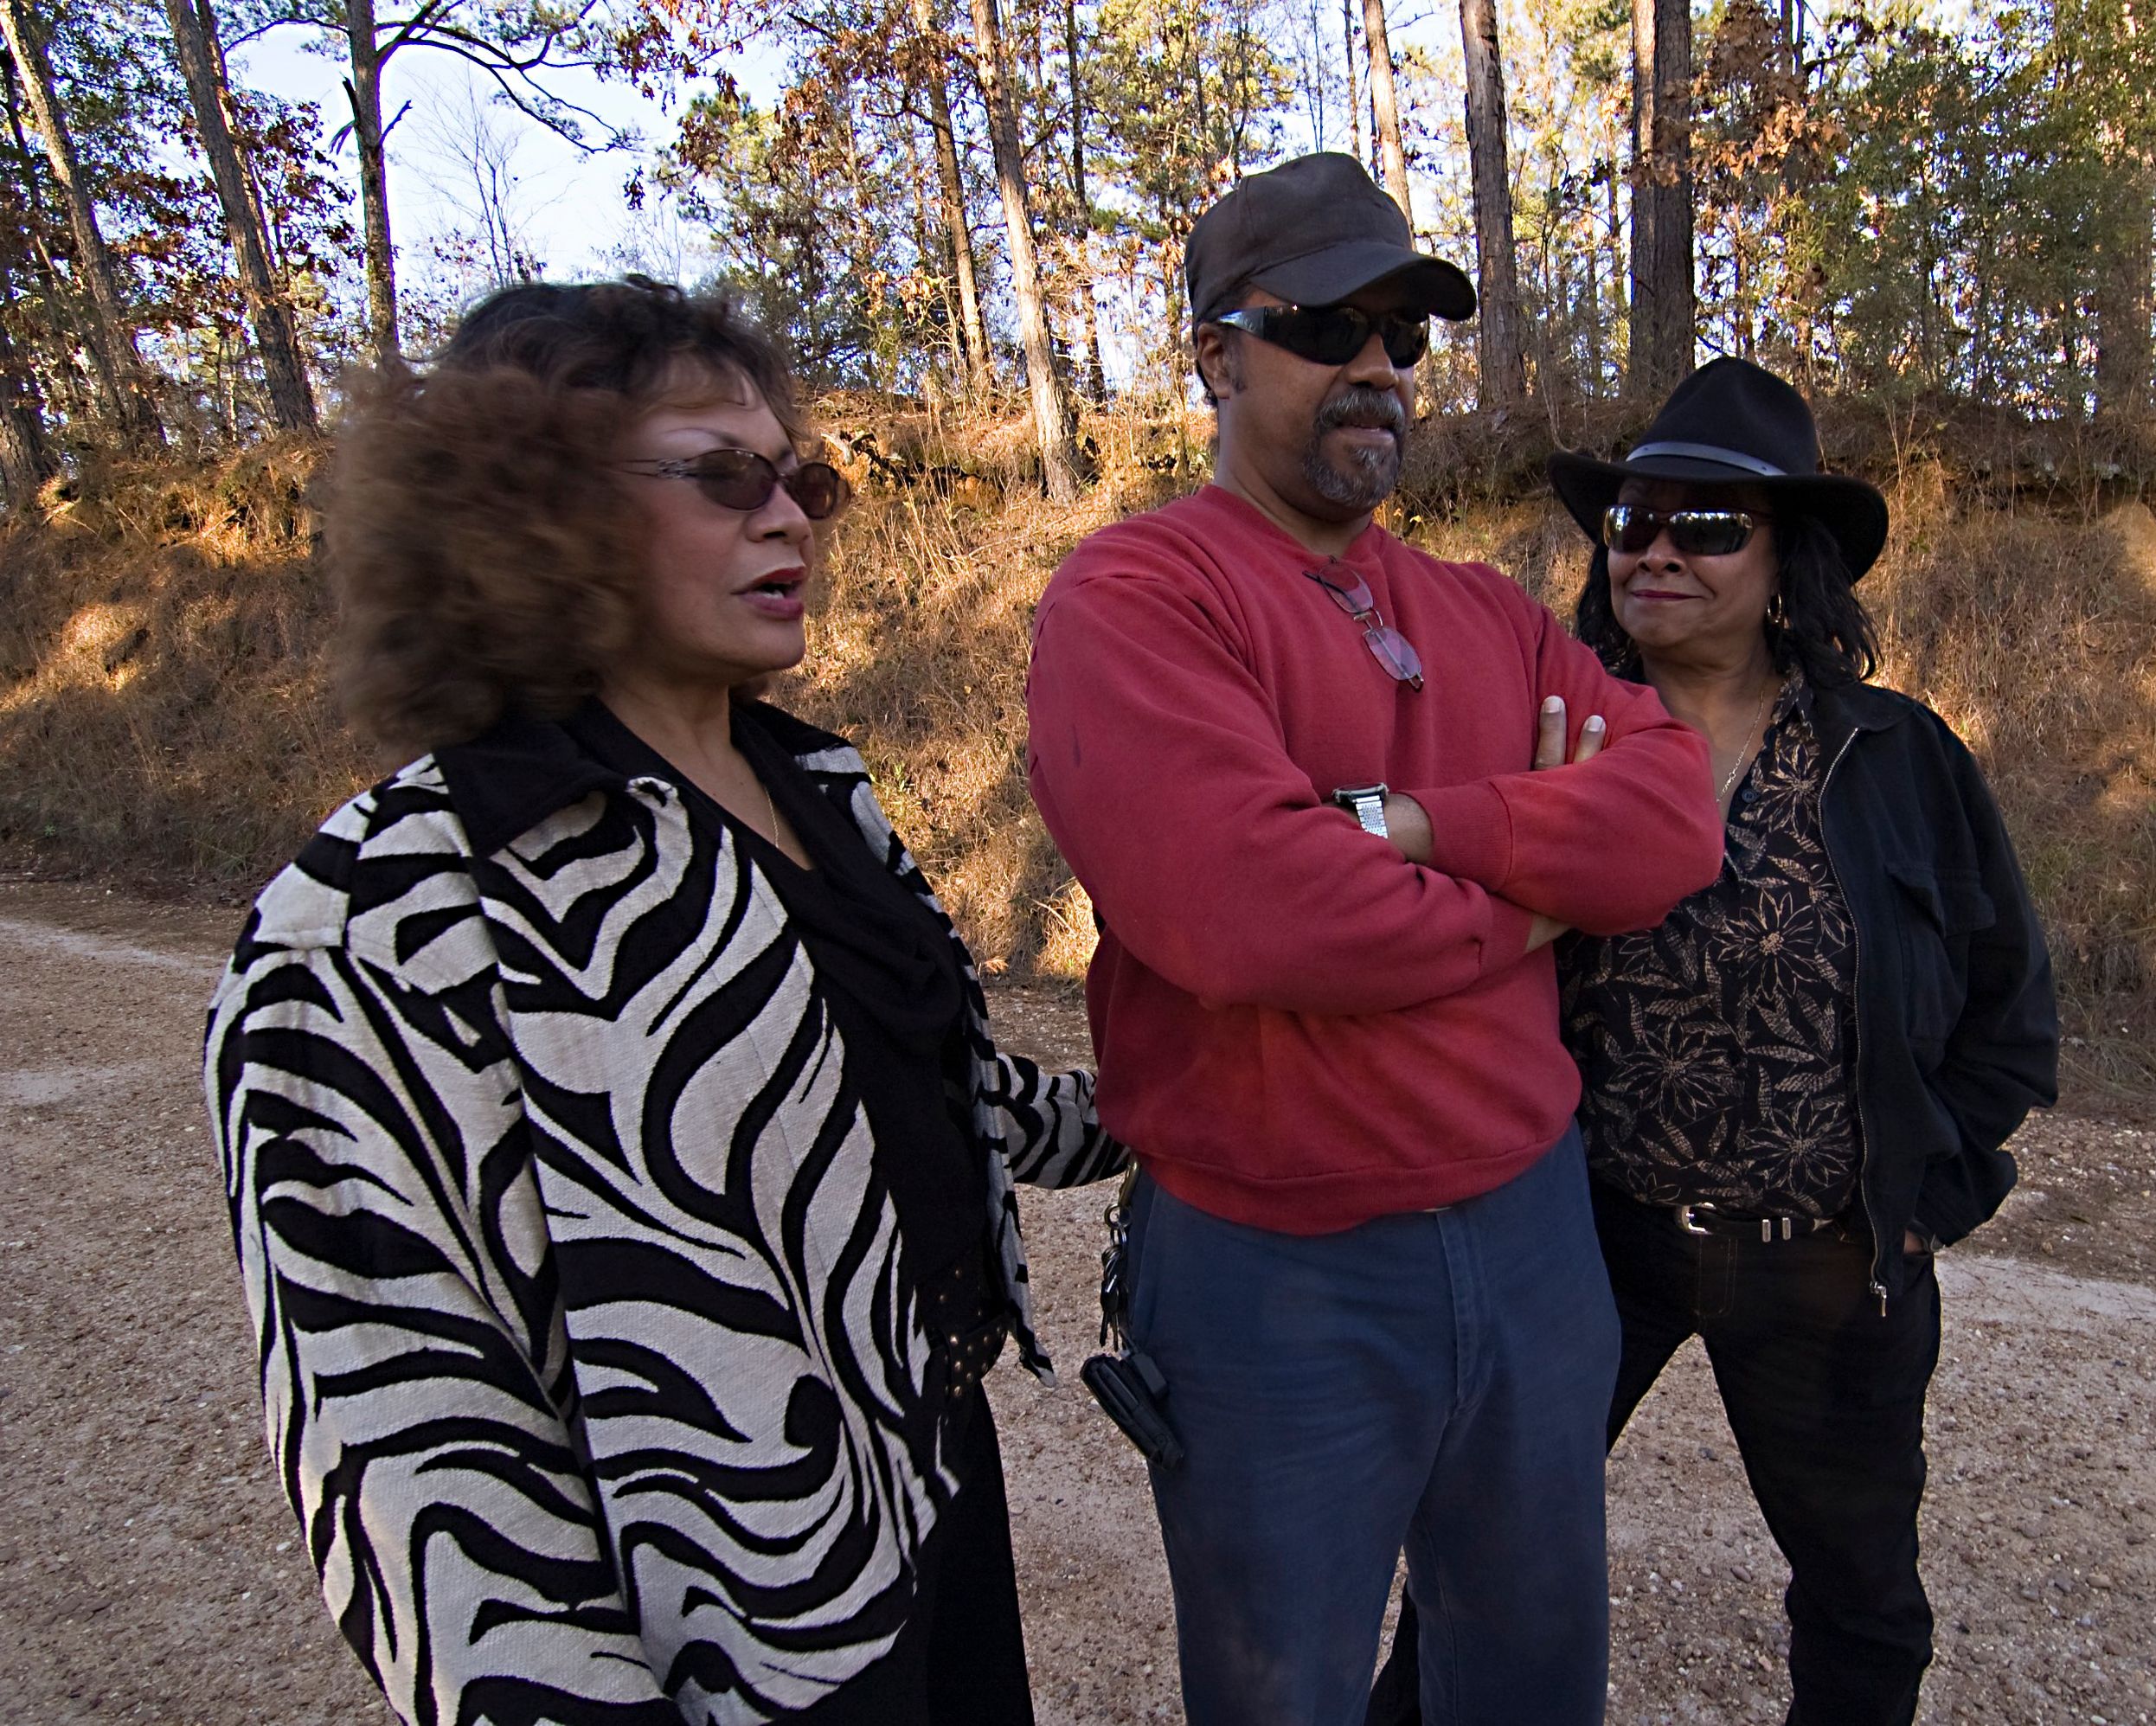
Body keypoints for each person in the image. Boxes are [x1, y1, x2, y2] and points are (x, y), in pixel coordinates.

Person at [202, 278, 1126, 1726]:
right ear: (536, 508)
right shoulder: (381, 919)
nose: (791, 516)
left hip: (929, 1480)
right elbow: (412, 1452)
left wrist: (1144, 1113)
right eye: (723, 475)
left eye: (801, 476)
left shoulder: (822, 795)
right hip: (726, 1622)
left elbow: (916, 1078)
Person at [1022, 153, 1723, 1726]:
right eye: (1329, 325)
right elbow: (1255, 915)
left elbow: (1676, 819)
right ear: (1215, 352)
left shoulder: (1492, 611)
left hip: (1537, 1240)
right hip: (1279, 1275)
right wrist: (1548, 880)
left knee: (1533, 1683)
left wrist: (1426, 828)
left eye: (1405, 334)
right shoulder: (1138, 596)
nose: (1378, 369)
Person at [1370, 356, 2061, 1725]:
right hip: (1589, 1240)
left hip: (1829, 1262)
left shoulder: (1898, 757)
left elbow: (2008, 1000)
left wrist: (1924, 1197)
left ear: (1786, 561)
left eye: (1706, 526)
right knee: (1476, 1568)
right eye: (1632, 523)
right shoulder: (1552, 739)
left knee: (1861, 1595)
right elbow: (1439, 951)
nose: (1656, 552)